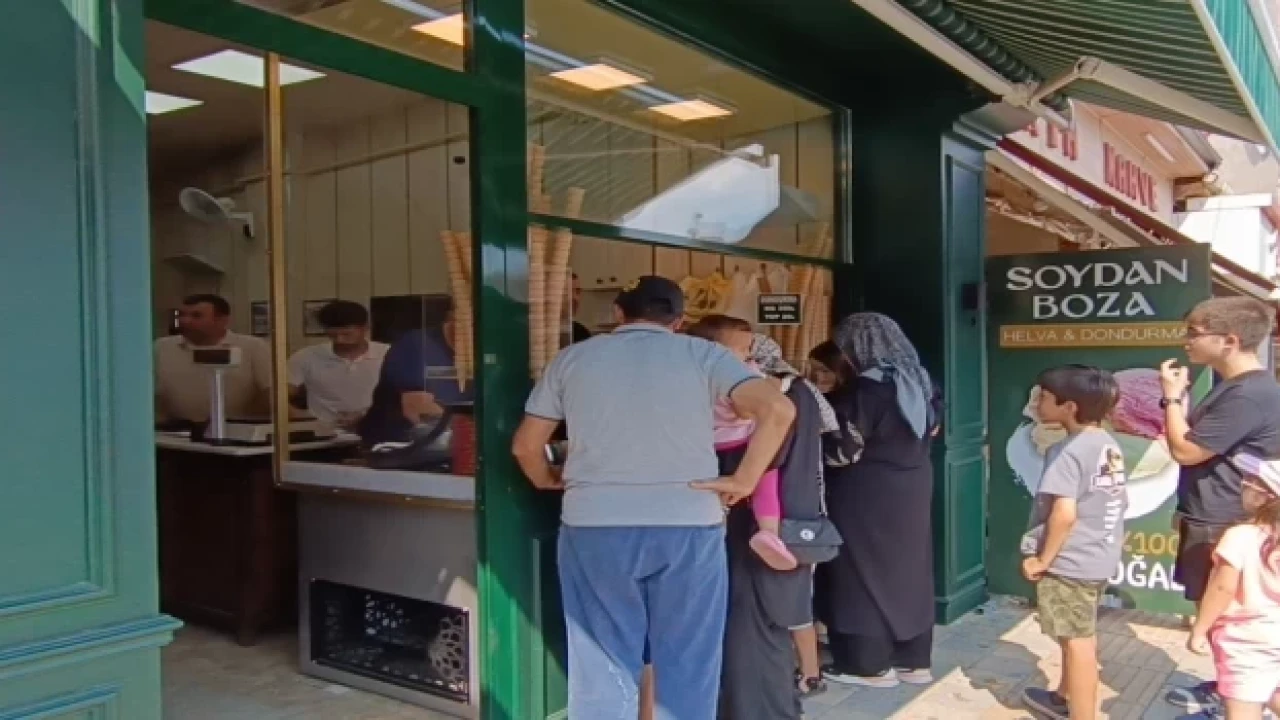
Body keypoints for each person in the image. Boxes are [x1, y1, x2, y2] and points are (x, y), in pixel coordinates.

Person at [510, 276, 794, 719]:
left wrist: (548, 479)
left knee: (602, 663)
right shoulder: (705, 355)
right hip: (688, 523)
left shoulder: (573, 358)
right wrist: (743, 480)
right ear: (679, 321)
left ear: (618, 313)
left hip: (595, 524)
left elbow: (526, 447)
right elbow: (777, 408)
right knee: (688, 661)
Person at [1161, 297, 1280, 715]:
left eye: (1194, 333)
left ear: (1229, 340)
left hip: (1221, 517)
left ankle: (1239, 697)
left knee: (1224, 620)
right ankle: (1232, 689)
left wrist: (1171, 399)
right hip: (1218, 512)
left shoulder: (1247, 396)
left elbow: (1186, 450)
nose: (1186, 341)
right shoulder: (1241, 388)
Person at [720, 333, 841, 719]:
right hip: (796, 516)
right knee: (785, 612)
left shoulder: (760, 396)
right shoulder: (803, 390)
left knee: (754, 621)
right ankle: (798, 686)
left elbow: (765, 462)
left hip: (756, 520)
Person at [815, 312, 940, 688]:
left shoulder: (866, 390)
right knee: (910, 568)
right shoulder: (922, 382)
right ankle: (913, 660)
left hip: (866, 491)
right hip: (913, 485)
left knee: (860, 571)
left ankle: (867, 665)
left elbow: (844, 451)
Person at [1018, 366, 1127, 720]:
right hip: (1098, 555)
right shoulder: (1107, 444)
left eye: (1044, 397)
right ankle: (1063, 697)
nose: (1036, 404)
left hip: (1070, 562)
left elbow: (1064, 514)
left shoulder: (1067, 452)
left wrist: (1042, 560)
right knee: (1079, 632)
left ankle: (1081, 714)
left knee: (1078, 643)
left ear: (1069, 407)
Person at [686, 315, 794, 571]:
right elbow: (747, 411)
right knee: (766, 479)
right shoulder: (741, 374)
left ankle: (717, 532)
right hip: (742, 444)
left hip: (707, 446)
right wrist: (778, 384)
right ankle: (769, 532)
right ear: (715, 350)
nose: (748, 355)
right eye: (742, 349)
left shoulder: (691, 374)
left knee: (713, 496)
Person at [1187, 452, 1280, 720]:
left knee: (1243, 708)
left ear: (1265, 496)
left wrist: (1199, 629)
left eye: (1251, 479)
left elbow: (1221, 588)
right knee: (1273, 690)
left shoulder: (1240, 537)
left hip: (1245, 642)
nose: (1243, 482)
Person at [359, 302, 473, 447]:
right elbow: (420, 412)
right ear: (452, 317)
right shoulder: (415, 345)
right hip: (400, 446)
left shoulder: (487, 352)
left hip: (458, 444)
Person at [155, 293, 272, 423]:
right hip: (173, 429)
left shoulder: (253, 347)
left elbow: (272, 391)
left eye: (196, 316)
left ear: (222, 320)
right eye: (181, 315)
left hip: (236, 428)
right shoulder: (161, 347)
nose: (185, 321)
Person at [286, 300, 388, 430]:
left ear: (365, 328)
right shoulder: (305, 356)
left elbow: (405, 396)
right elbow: (278, 395)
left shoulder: (387, 354)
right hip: (324, 433)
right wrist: (301, 416)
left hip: (378, 429)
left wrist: (368, 416)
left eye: (346, 334)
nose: (340, 340)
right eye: (333, 335)